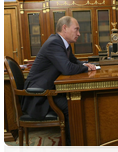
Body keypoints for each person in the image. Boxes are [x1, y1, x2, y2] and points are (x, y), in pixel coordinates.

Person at [23, 16, 96, 151]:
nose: (79, 34)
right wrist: (86, 68)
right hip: (39, 95)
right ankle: (73, 146)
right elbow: (67, 68)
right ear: (65, 28)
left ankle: (84, 141)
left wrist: (87, 64)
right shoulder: (54, 43)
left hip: (49, 89)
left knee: (77, 101)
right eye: (76, 29)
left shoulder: (63, 44)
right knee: (72, 106)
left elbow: (74, 62)